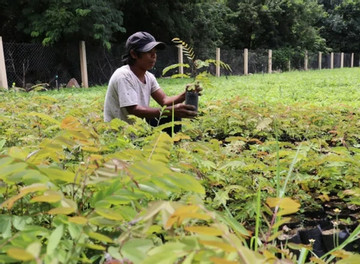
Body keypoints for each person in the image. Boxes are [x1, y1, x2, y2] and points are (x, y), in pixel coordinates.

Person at [104, 31, 199, 134]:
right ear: (134, 54)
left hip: (138, 128)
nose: (154, 56)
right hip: (120, 133)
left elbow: (164, 100)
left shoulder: (149, 77)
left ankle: (171, 146)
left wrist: (185, 95)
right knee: (171, 113)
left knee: (172, 117)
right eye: (149, 52)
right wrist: (171, 111)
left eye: (155, 52)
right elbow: (134, 110)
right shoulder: (123, 75)